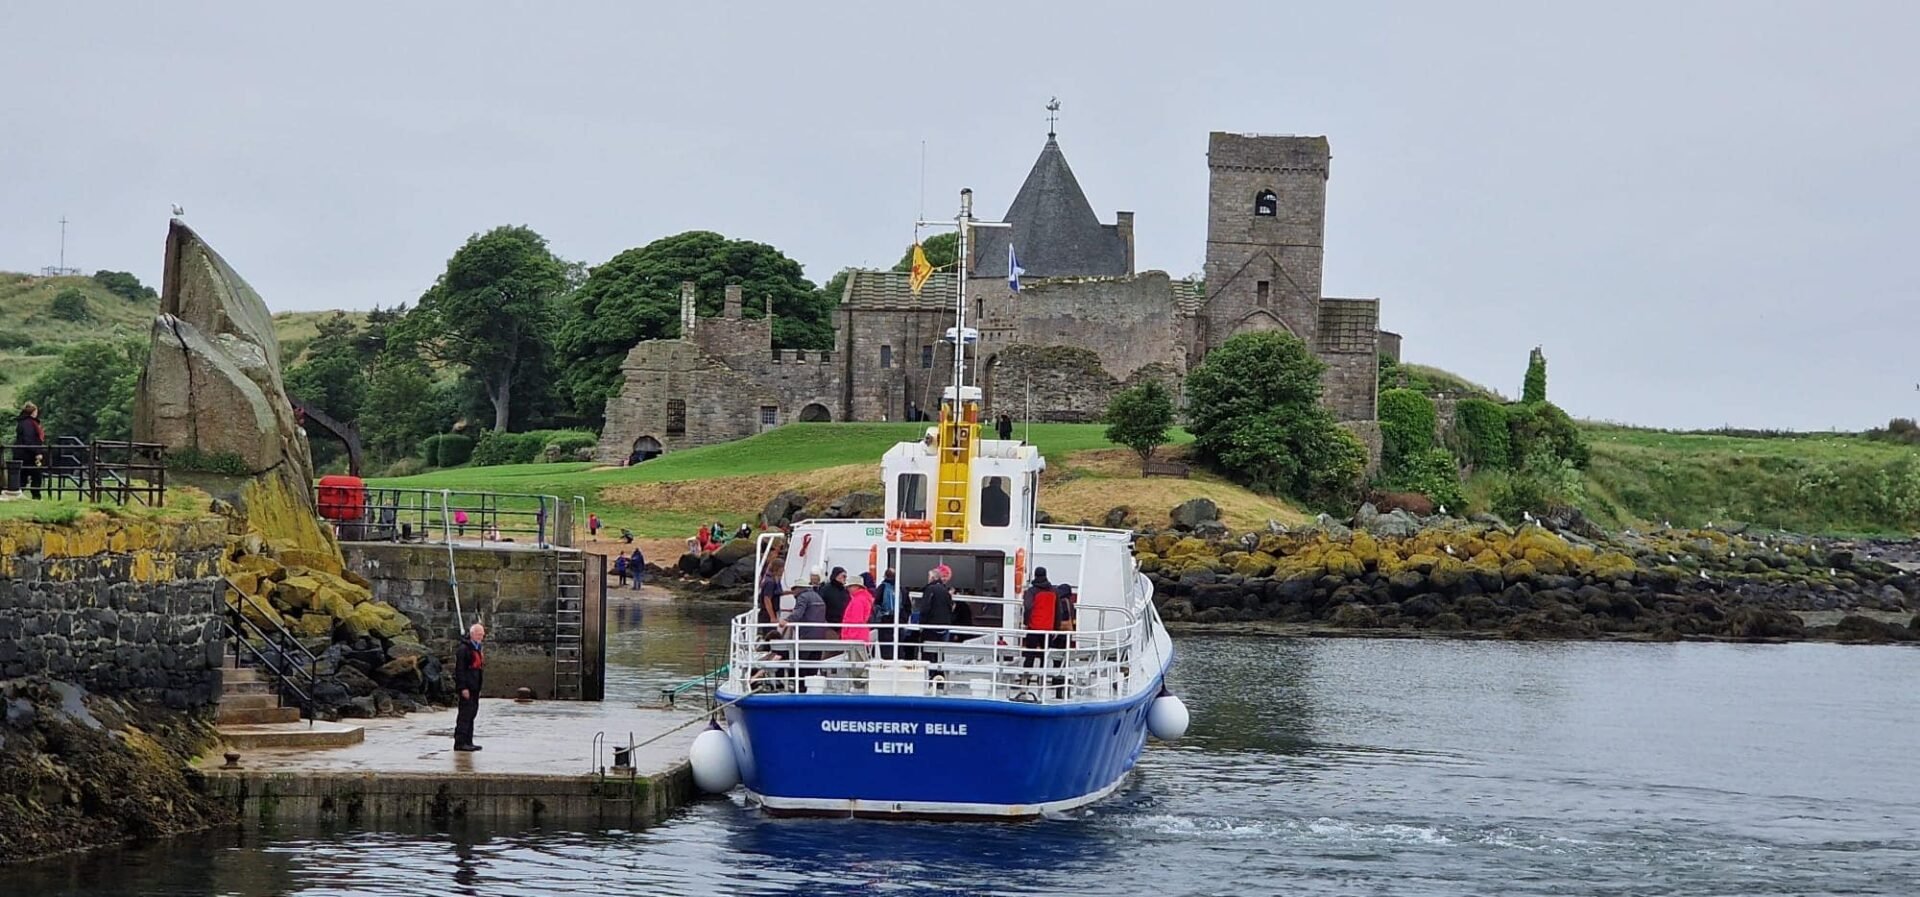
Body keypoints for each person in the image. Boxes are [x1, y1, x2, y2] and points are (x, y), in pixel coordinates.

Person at [453, 622, 486, 752]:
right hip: (467, 687)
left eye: (482, 635)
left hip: (475, 686)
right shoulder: (464, 649)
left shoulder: (476, 648)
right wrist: (463, 688)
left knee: (472, 714)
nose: (481, 637)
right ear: (472, 634)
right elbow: (459, 670)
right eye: (478, 634)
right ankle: (460, 742)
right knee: (465, 715)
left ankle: (468, 741)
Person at [1021, 567, 1058, 669]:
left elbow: (1027, 606)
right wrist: (1056, 628)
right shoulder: (1054, 591)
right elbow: (1058, 611)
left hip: (1034, 627)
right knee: (1044, 655)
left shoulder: (1032, 591)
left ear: (1035, 575)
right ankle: (1042, 679)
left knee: (1030, 654)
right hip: (1048, 628)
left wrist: (1026, 622)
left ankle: (1026, 678)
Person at [13, 402, 45, 499]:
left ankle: (19, 494)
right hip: (28, 454)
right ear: (32, 412)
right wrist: (37, 452)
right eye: (35, 411)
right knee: (36, 475)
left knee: (23, 476)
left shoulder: (23, 422)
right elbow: (29, 439)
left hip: (22, 453)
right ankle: (35, 496)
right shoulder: (29, 424)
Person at [920, 564, 954, 654]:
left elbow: (925, 608)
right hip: (944, 626)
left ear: (932, 578)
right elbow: (950, 607)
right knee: (940, 653)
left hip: (931, 626)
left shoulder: (930, 589)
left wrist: (922, 623)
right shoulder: (945, 590)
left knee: (928, 652)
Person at [757, 560, 786, 643]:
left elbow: (776, 593)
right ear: (778, 568)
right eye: (782, 569)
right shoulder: (770, 582)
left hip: (770, 612)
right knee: (769, 634)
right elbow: (767, 599)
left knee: (771, 633)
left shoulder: (773, 580)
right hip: (767, 614)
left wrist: (790, 592)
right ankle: (768, 649)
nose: (783, 571)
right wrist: (772, 617)